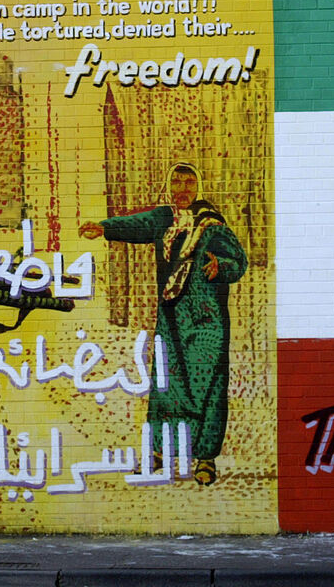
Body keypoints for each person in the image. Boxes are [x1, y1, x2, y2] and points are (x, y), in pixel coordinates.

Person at [80, 162, 247, 485]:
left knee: (208, 387)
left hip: (206, 320)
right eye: (177, 182)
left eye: (189, 183)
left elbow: (238, 261)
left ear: (199, 186)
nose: (183, 189)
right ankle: (158, 452)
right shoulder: (163, 218)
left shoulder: (211, 224)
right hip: (171, 317)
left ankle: (205, 458)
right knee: (166, 385)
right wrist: (104, 227)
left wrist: (220, 266)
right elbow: (136, 225)